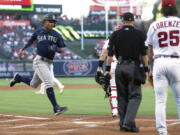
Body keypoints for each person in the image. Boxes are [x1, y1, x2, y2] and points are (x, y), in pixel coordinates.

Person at [9, 14, 68, 115]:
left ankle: (18, 78)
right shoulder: (38, 32)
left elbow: (63, 50)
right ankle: (56, 107)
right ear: (45, 22)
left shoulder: (57, 35)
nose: (52, 23)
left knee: (34, 84)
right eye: (51, 21)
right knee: (49, 83)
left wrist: (56, 49)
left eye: (53, 22)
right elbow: (30, 41)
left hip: (49, 63)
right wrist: (22, 49)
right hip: (40, 61)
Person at [105, 12, 148, 132]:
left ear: (123, 21)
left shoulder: (115, 34)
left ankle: (124, 123)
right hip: (133, 67)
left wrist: (107, 70)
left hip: (119, 67)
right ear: (133, 21)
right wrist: (146, 68)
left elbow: (109, 55)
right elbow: (144, 54)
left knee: (122, 97)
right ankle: (128, 123)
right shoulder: (140, 34)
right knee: (135, 96)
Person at [146, 0, 180, 135]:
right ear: (175, 8)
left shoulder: (154, 25)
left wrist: (149, 67)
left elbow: (149, 47)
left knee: (160, 101)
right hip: (176, 61)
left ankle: (162, 132)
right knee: (179, 100)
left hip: (159, 62)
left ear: (163, 9)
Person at [97, 39, 118, 117]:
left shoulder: (110, 40)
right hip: (126, 65)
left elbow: (103, 54)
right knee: (125, 88)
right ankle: (126, 110)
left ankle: (115, 110)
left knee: (113, 88)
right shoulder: (128, 38)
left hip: (113, 65)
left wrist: (99, 67)